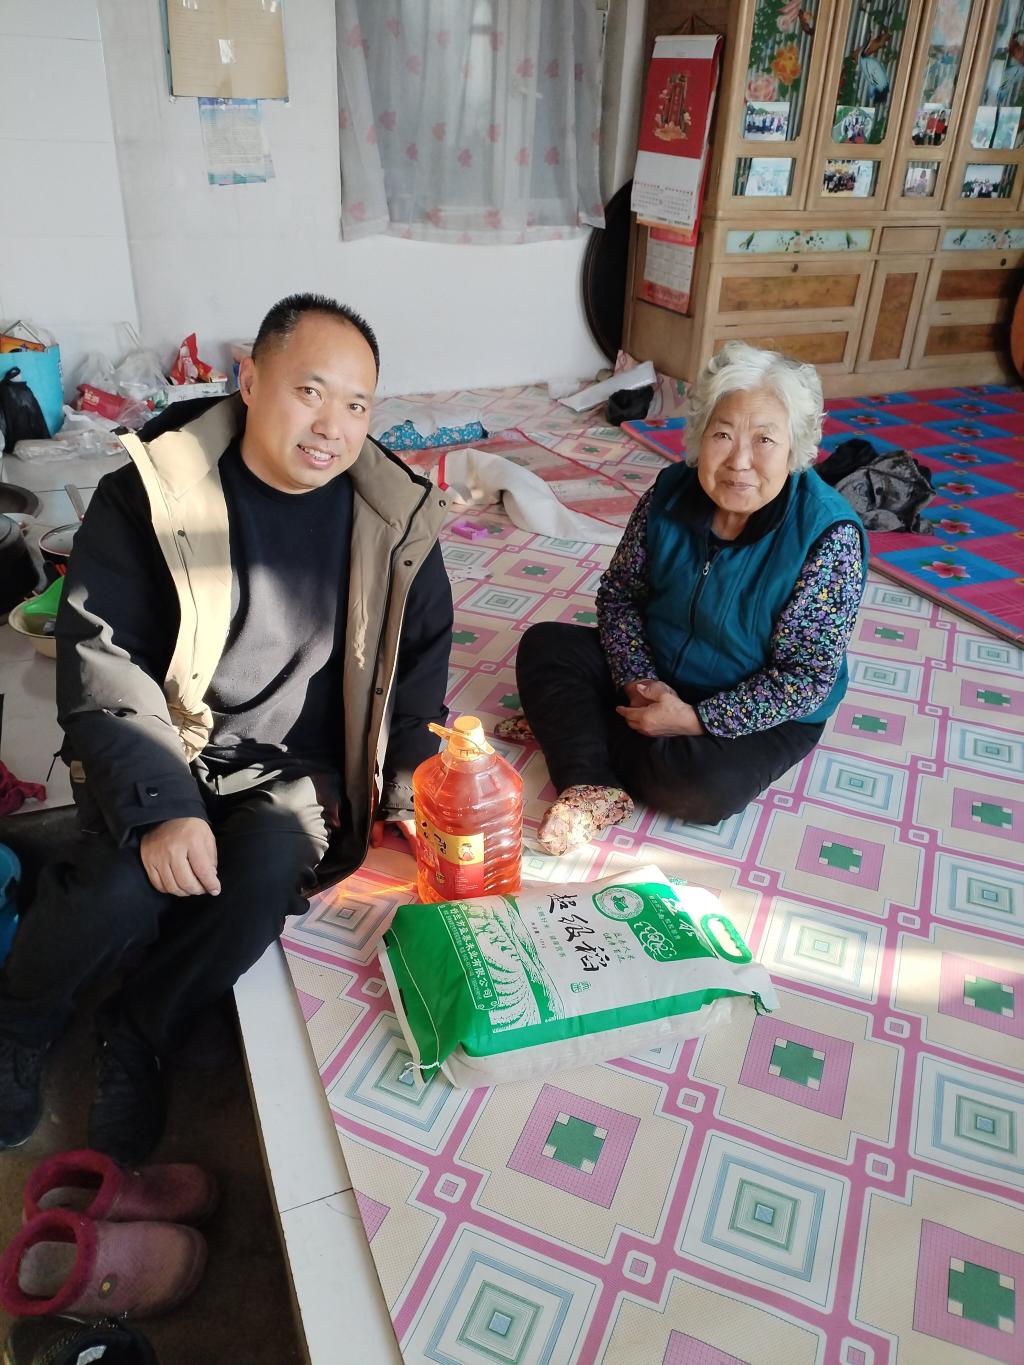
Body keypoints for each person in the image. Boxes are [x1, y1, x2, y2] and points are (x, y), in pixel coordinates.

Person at [0, 293, 453, 1162]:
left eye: (356, 404)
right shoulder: (154, 494)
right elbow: (104, 660)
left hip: (296, 769)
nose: (331, 426)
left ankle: (140, 1025)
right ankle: (19, 1020)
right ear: (249, 380)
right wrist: (163, 805)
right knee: (121, 885)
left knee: (267, 869)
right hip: (169, 744)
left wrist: (409, 794)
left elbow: (418, 670)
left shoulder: (391, 516)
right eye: (309, 391)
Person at [499, 341, 866, 856]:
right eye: (723, 434)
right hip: (655, 669)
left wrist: (696, 720)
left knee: (702, 789)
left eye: (764, 439)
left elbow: (805, 678)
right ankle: (591, 784)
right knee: (546, 647)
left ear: (795, 448)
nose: (739, 461)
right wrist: (637, 682)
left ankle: (576, 732)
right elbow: (620, 597)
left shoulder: (827, 536)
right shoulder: (670, 492)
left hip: (755, 705)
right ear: (700, 434)